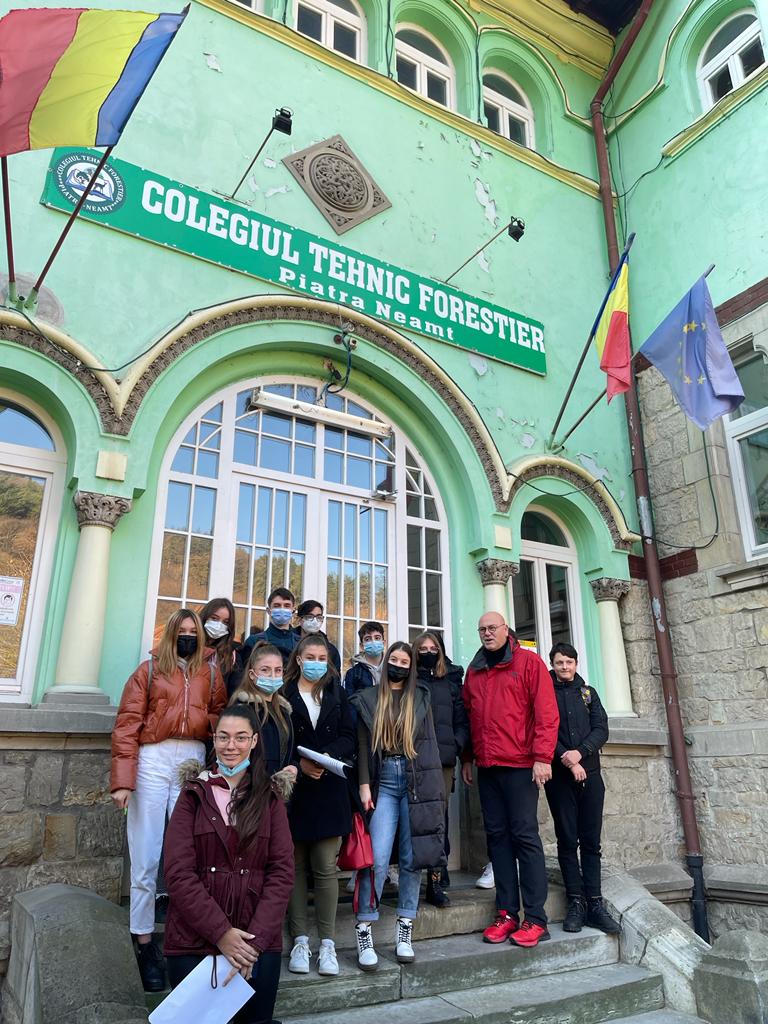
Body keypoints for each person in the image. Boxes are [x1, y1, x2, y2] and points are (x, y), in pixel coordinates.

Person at [110, 608, 227, 991]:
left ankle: (185, 937)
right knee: (146, 854)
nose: (189, 636)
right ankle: (144, 942)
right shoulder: (147, 671)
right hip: (152, 759)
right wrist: (123, 781)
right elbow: (127, 724)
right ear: (172, 634)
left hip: (192, 758)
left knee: (190, 854)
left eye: (194, 631)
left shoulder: (210, 674)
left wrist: (205, 724)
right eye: (183, 630)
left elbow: (221, 716)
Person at [163, 705, 295, 1024]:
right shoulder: (193, 794)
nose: (230, 745)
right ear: (214, 740)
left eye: (240, 737)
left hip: (255, 945)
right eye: (223, 737)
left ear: (254, 741)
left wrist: (252, 944)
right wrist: (222, 934)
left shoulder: (270, 798)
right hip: (193, 942)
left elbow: (281, 872)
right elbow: (178, 873)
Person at [461, 612, 559, 949]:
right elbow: (469, 716)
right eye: (482, 629)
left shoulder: (528, 663)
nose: (487, 633)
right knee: (497, 840)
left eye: (493, 628)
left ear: (506, 630)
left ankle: (536, 919)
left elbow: (546, 713)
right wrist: (467, 757)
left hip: (520, 765)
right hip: (488, 766)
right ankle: (506, 913)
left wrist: (543, 757)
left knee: (525, 838)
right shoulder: (475, 670)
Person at [350, 642, 445, 971]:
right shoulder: (368, 698)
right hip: (384, 781)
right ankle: (365, 926)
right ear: (386, 661)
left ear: (411, 666)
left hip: (415, 778)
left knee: (411, 858)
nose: (399, 665)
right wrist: (364, 784)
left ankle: (405, 926)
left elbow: (430, 745)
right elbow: (363, 743)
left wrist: (434, 788)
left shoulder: (420, 697)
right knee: (375, 859)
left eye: (405, 661)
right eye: (394, 659)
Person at [283, 635, 355, 977]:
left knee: (326, 868)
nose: (316, 662)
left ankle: (327, 943)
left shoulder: (337, 693)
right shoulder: (284, 694)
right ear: (299, 659)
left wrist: (325, 758)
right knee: (295, 867)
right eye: (309, 656)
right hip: (294, 790)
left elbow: (350, 736)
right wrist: (299, 764)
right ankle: (300, 940)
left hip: (330, 788)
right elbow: (277, 738)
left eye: (321, 657)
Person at [545, 642, 619, 934]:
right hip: (560, 778)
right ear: (552, 664)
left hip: (591, 775)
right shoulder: (545, 694)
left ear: (576, 664)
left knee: (591, 842)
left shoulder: (588, 693)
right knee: (567, 840)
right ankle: (575, 902)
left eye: (569, 662)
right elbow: (543, 731)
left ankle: (595, 903)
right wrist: (566, 757)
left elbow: (601, 728)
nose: (564, 667)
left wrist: (580, 753)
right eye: (559, 662)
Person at [413, 630, 469, 908]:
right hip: (414, 759)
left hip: (443, 759)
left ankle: (436, 879)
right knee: (416, 819)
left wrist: (456, 745)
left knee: (438, 819)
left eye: (432, 648)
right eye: (422, 649)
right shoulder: (410, 681)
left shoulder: (451, 681)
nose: (428, 652)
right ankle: (413, 877)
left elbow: (462, 719)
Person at [231, 642, 296, 781]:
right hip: (252, 787)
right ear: (252, 674)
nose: (272, 675)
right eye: (265, 670)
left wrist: (294, 767)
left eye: (278, 670)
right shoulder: (243, 709)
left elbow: (287, 752)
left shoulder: (283, 711)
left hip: (278, 789)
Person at [200, 597, 245, 698]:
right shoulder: (189, 647)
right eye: (214, 618)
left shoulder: (232, 656)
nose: (219, 625)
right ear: (205, 617)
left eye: (225, 622)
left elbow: (235, 692)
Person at [242, 587, 298, 665]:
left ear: (293, 610)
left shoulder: (301, 643)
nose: (282, 609)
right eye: (277, 606)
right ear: (269, 611)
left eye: (287, 606)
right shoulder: (254, 641)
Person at [293, 599, 341, 673]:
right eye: (310, 617)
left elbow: (335, 677)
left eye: (319, 617)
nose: (315, 621)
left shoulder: (330, 650)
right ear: (299, 619)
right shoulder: (289, 643)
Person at [343, 620, 386, 695]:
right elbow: (350, 700)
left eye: (377, 638)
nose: (373, 641)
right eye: (367, 639)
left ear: (384, 642)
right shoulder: (353, 674)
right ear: (362, 646)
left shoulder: (392, 668)